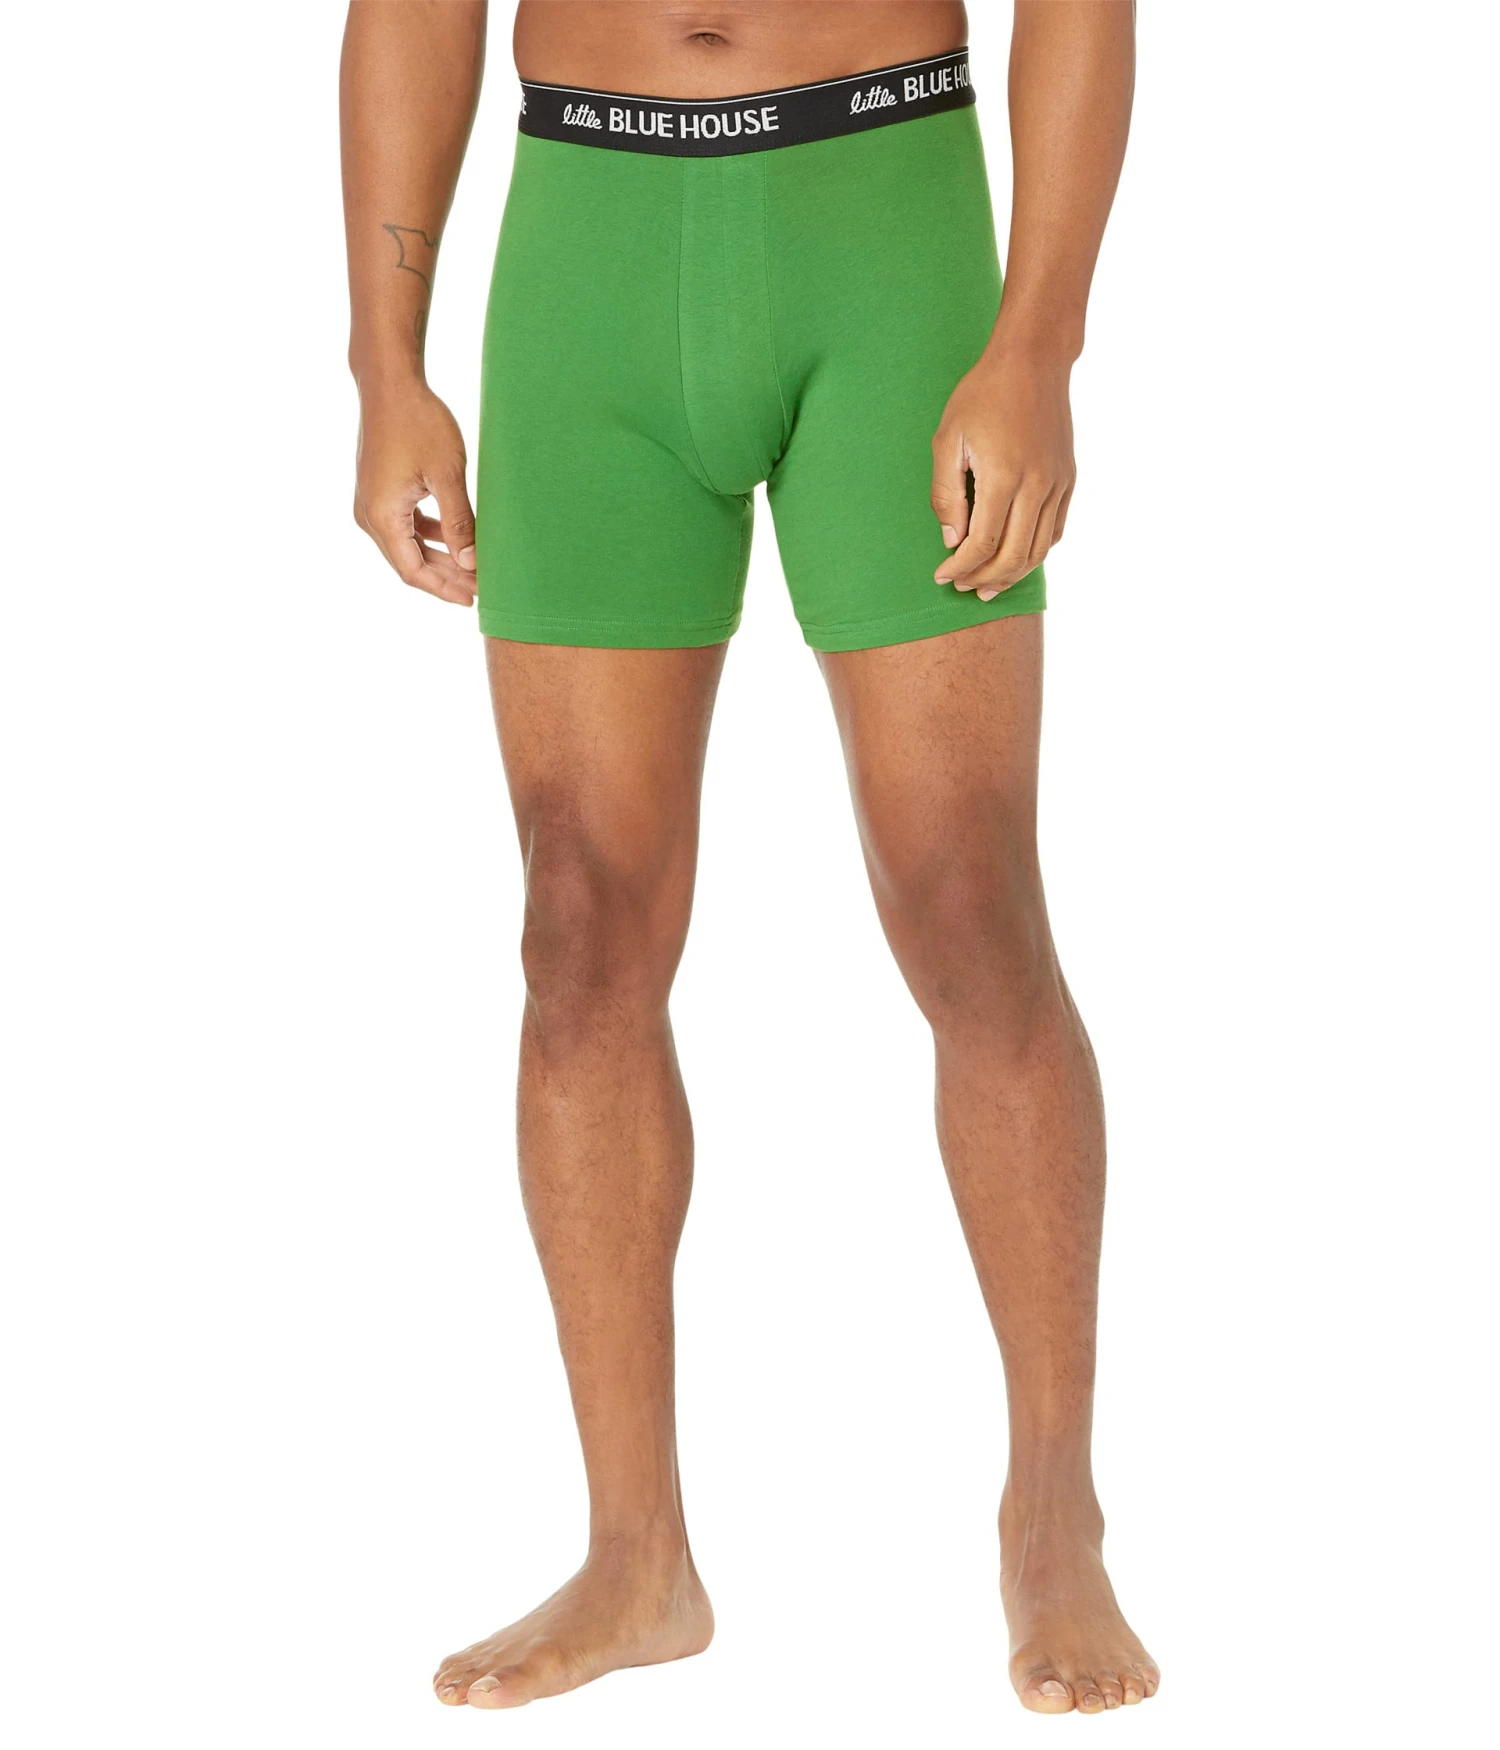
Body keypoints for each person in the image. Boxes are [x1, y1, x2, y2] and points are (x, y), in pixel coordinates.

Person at [340, 0, 1151, 1717]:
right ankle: (636, 1554)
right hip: (591, 240)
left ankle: (1053, 1505)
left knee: (969, 902)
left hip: (882, 214)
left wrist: (1039, 341)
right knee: (577, 926)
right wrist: (383, 365)